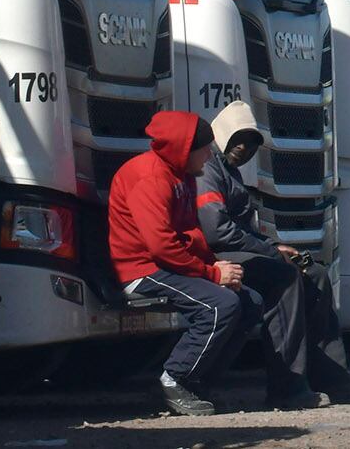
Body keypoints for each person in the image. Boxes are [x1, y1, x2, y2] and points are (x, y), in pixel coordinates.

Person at [196, 100, 350, 406]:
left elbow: (237, 230)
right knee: (285, 278)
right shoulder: (208, 171)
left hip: (238, 252)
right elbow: (216, 231)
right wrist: (270, 251)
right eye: (238, 139)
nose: (244, 148)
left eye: (251, 143)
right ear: (222, 134)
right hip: (213, 255)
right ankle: (286, 387)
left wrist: (273, 247)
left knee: (315, 275)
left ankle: (334, 379)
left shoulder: (229, 172)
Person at [108, 110, 260, 417]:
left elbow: (189, 234)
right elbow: (160, 246)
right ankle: (174, 379)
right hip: (143, 270)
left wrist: (216, 266)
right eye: (203, 148)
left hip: (168, 265)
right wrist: (212, 274)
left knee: (250, 301)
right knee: (222, 305)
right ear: (183, 149)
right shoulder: (150, 177)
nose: (209, 154)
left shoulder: (183, 175)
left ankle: (198, 384)